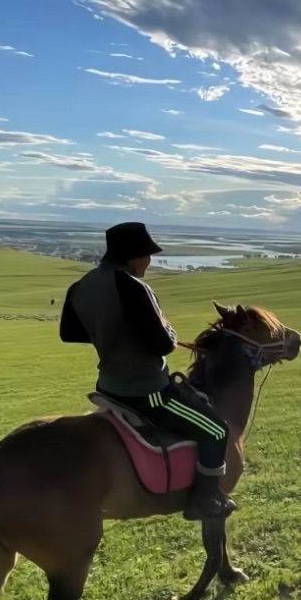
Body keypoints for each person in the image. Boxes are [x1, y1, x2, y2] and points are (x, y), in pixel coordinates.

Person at [59, 221, 234, 519]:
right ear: (132, 255)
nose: (149, 261)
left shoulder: (81, 286)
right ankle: (204, 501)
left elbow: (69, 333)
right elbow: (165, 344)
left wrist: (110, 335)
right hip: (148, 393)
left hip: (108, 388)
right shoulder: (134, 286)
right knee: (216, 430)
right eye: (147, 255)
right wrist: (167, 329)